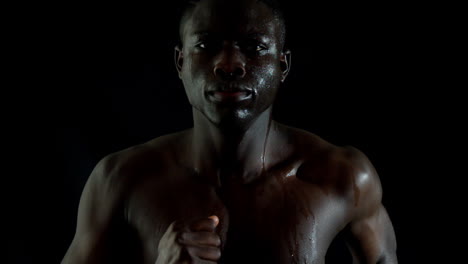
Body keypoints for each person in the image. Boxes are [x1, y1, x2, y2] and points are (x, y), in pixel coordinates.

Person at [62, 0, 398, 263]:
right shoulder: (119, 180)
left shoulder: (344, 177)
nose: (229, 64)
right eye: (206, 45)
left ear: (282, 65)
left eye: (254, 47)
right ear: (181, 63)